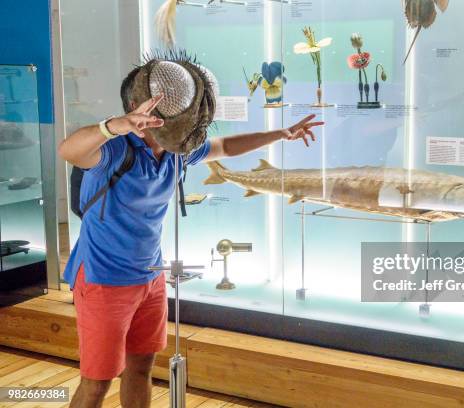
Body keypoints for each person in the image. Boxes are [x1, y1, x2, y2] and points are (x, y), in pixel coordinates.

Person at [58, 62, 323, 407]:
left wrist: (280, 134)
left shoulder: (177, 151)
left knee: (141, 369)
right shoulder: (115, 151)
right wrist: (112, 127)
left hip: (150, 278)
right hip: (103, 280)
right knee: (97, 382)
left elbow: (225, 146)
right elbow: (69, 151)